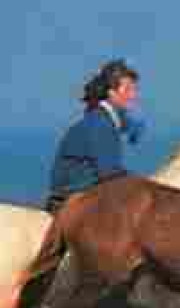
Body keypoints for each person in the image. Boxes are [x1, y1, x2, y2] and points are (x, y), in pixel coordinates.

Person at [45, 59, 146, 212]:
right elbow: (111, 174)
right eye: (128, 90)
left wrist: (135, 130)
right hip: (74, 201)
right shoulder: (101, 124)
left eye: (134, 90)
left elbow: (129, 126)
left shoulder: (106, 117)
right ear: (111, 93)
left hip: (85, 194)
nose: (133, 95)